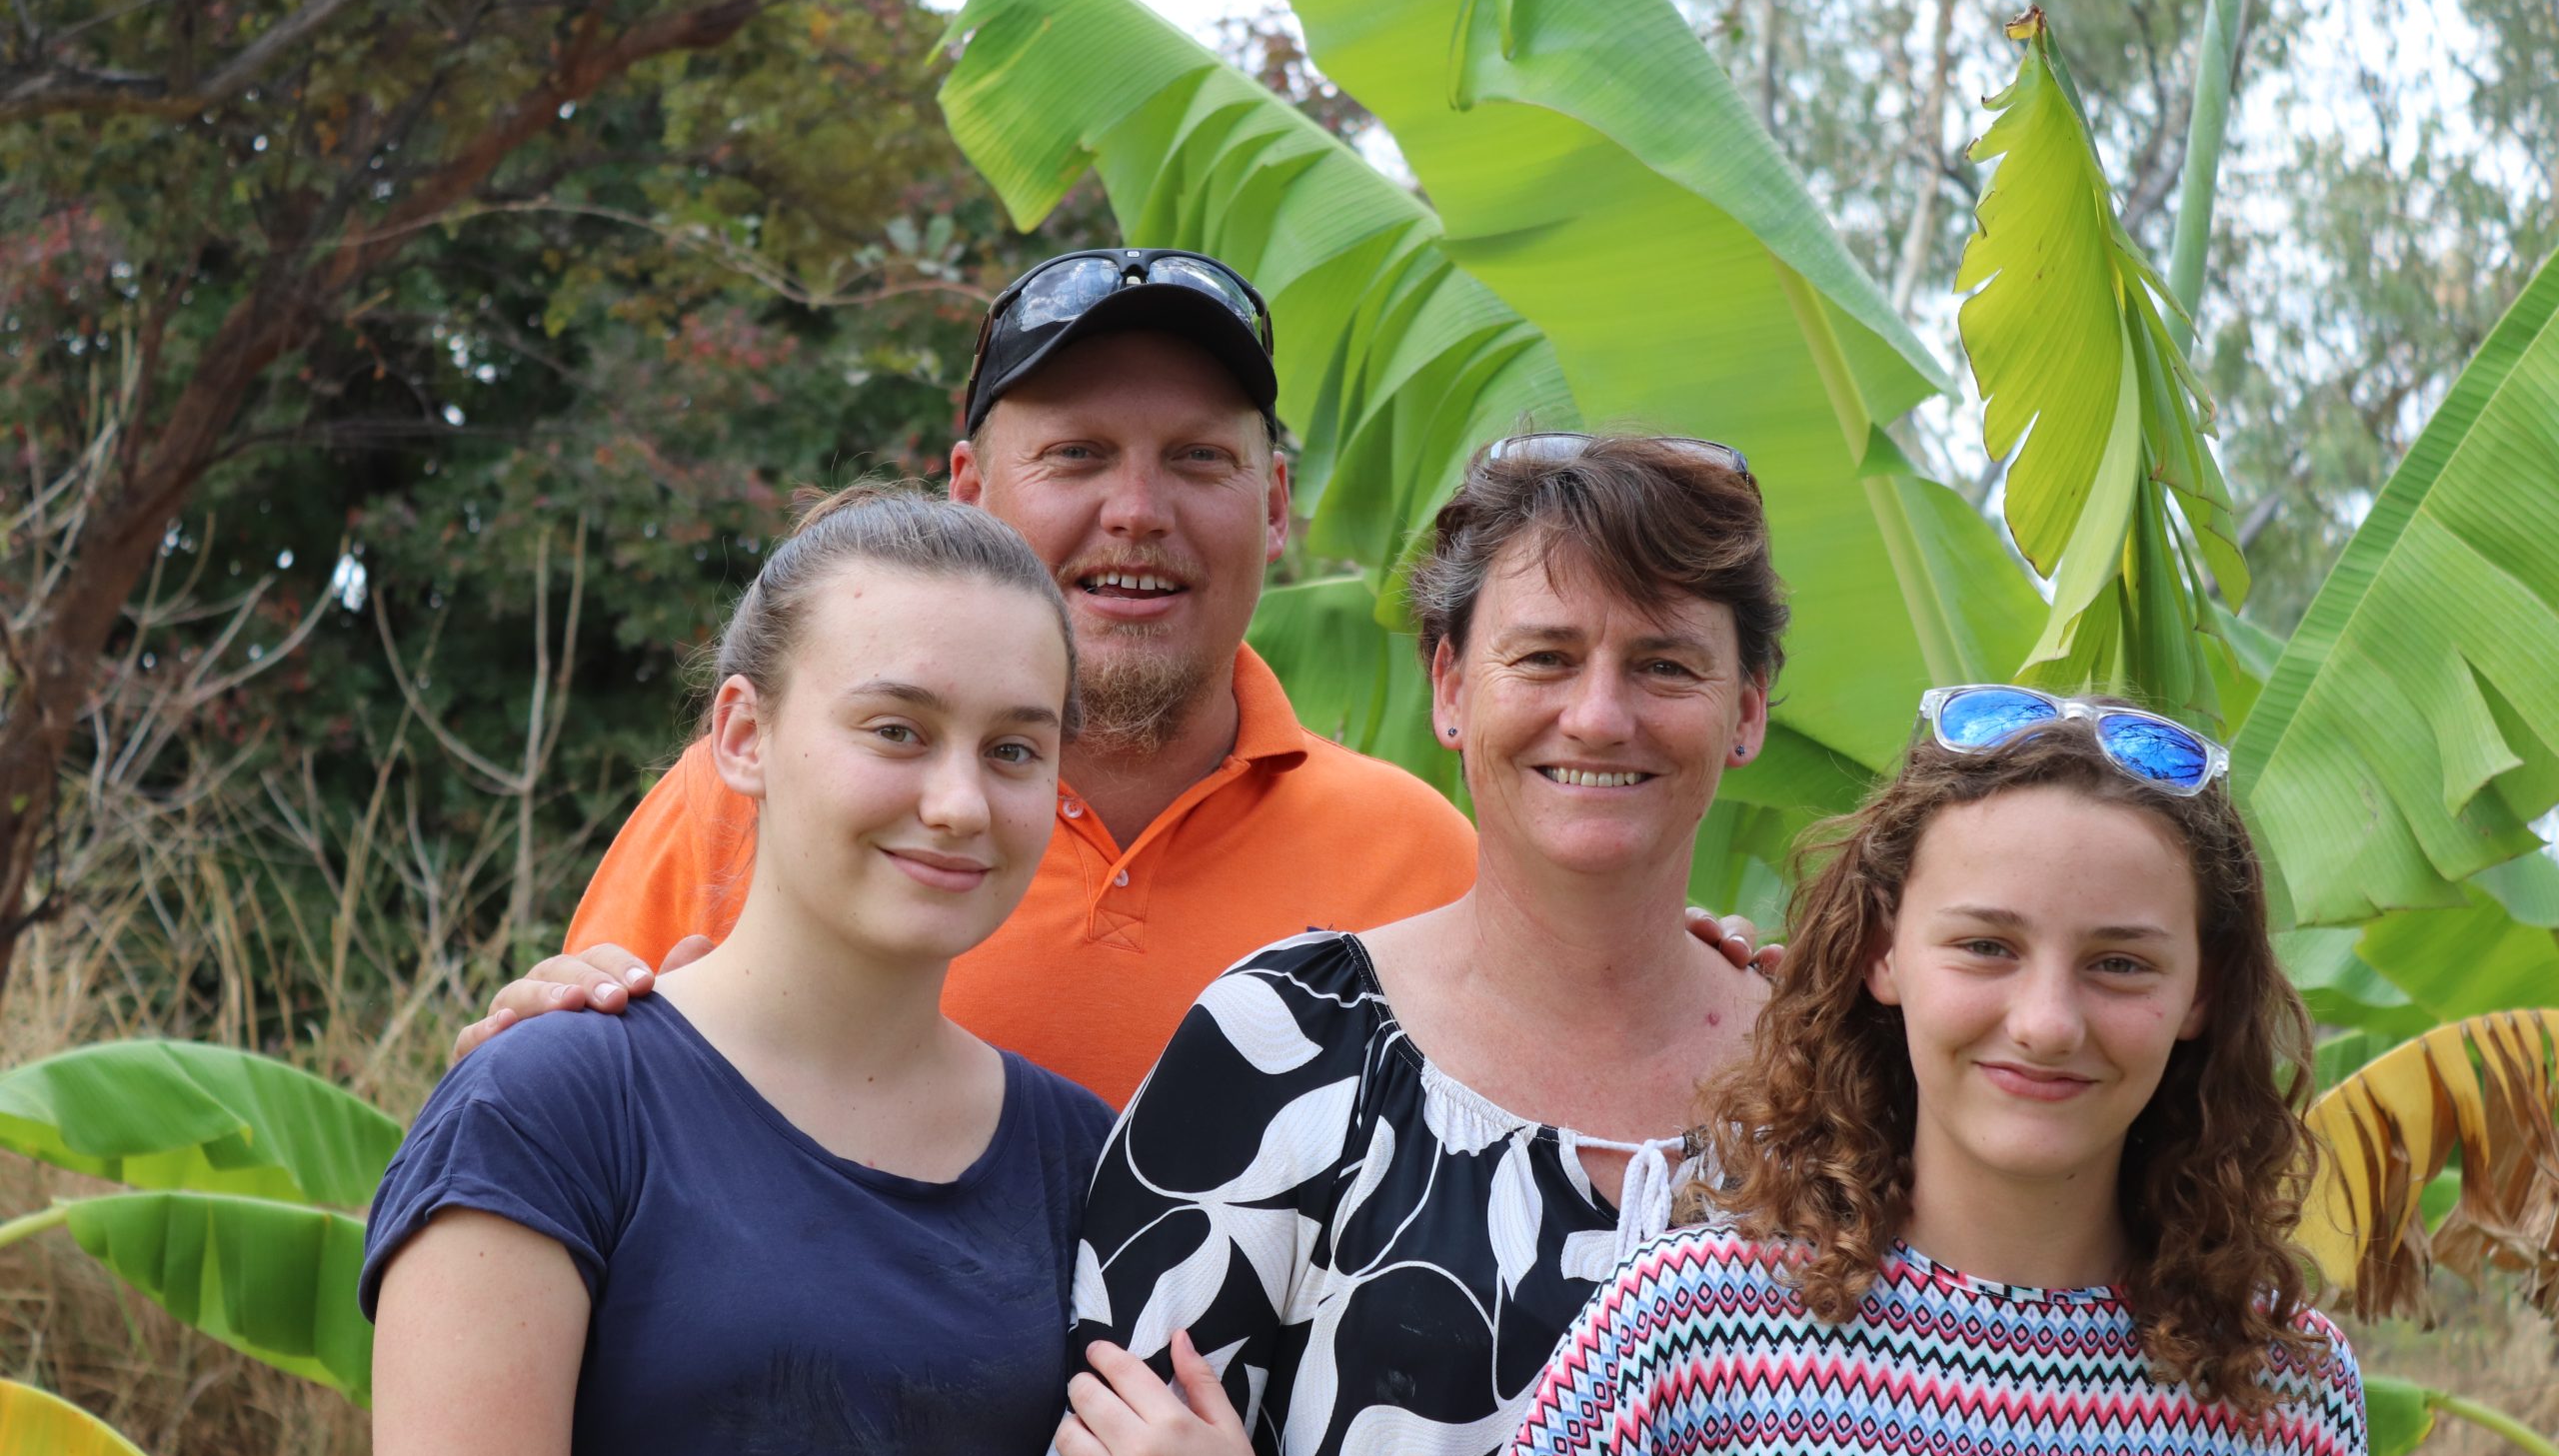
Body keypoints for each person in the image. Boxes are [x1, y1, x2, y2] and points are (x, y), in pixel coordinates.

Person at [455, 251, 1772, 1105]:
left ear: (1274, 506)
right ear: (969, 490)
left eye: (1197, 460)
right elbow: (573, 1131)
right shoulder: (770, 797)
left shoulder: (1417, 856)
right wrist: (543, 1046)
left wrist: (1696, 971)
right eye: (1078, 455)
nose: (1138, 512)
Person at [364, 491, 1273, 1456]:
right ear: (743, 734)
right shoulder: (548, 1111)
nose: (957, 804)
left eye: (1012, 749)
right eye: (896, 730)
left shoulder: (1084, 1161)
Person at [1003, 435, 1787, 1456]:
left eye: (1665, 665)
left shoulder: (1850, 1090)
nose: (1598, 712)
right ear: (1449, 686)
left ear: (1745, 710)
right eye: (1542, 656)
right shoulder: (1290, 1045)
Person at [1431, 689, 2406, 1456]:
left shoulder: (2281, 1394)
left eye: (2119, 963)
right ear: (1880, 951)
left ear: (2200, 991)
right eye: (1987, 947)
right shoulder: (1679, 1340)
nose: (2045, 1022)